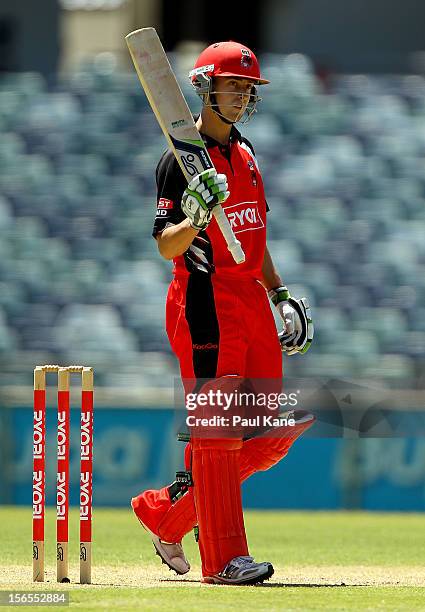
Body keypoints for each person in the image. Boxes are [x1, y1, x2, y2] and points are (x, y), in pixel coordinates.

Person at [131, 40, 314, 585]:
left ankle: (170, 514)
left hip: (251, 297)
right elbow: (166, 245)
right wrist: (194, 216)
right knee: (217, 434)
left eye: (248, 88)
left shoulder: (246, 151)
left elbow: (256, 231)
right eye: (234, 85)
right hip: (205, 299)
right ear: (206, 87)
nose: (242, 96)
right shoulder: (179, 160)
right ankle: (224, 560)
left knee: (267, 436)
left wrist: (279, 292)